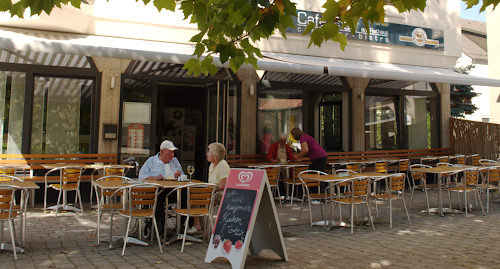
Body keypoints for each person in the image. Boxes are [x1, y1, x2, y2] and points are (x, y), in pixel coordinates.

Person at [138, 140, 185, 231]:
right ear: (162, 152)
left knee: (185, 193)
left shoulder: (174, 161)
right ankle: (158, 227)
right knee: (157, 195)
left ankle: (183, 225)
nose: (173, 154)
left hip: (172, 190)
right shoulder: (151, 161)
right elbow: (141, 176)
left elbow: (182, 175)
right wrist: (154, 178)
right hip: (157, 191)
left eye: (173, 152)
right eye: (170, 152)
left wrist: (179, 175)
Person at [188, 142, 230, 234]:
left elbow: (224, 185)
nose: (207, 154)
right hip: (212, 193)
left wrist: (209, 191)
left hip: (220, 195)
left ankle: (198, 226)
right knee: (195, 196)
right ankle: (203, 229)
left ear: (216, 156)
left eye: (209, 152)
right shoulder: (211, 165)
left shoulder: (223, 165)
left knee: (197, 199)